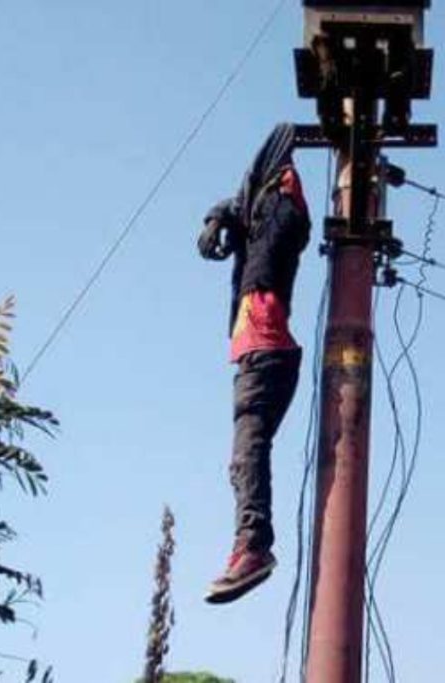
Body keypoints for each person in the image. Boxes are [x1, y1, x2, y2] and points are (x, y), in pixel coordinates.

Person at [197, 124, 311, 604]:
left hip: (266, 351)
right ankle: (251, 541)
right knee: (242, 460)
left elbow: (282, 219)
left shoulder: (284, 216)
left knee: (248, 451)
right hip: (256, 354)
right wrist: (215, 216)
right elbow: (237, 204)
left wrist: (272, 192)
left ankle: (253, 546)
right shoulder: (254, 226)